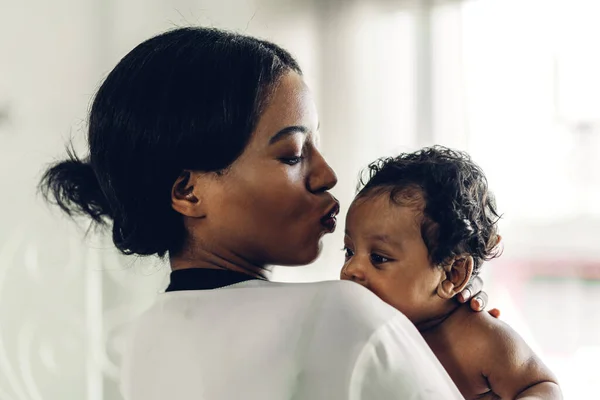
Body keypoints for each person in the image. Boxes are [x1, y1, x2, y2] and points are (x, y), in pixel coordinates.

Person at [40, 27, 488, 399]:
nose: (327, 174)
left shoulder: (144, 339)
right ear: (188, 192)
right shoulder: (342, 312)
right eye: (293, 154)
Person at [341, 146, 562, 399]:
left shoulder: (478, 340)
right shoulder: (355, 327)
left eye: (379, 258)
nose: (351, 269)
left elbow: (541, 387)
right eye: (349, 251)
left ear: (453, 275)